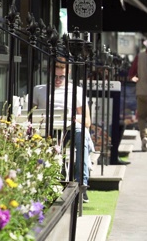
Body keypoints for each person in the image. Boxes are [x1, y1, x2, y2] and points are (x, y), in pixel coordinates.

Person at [32, 61, 92, 203]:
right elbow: (30, 114)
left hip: (70, 128)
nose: (58, 80)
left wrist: (73, 118)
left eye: (62, 77)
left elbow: (87, 121)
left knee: (82, 136)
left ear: (68, 74)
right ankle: (43, 184)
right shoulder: (39, 90)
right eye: (55, 76)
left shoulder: (76, 91)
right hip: (46, 129)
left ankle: (81, 184)